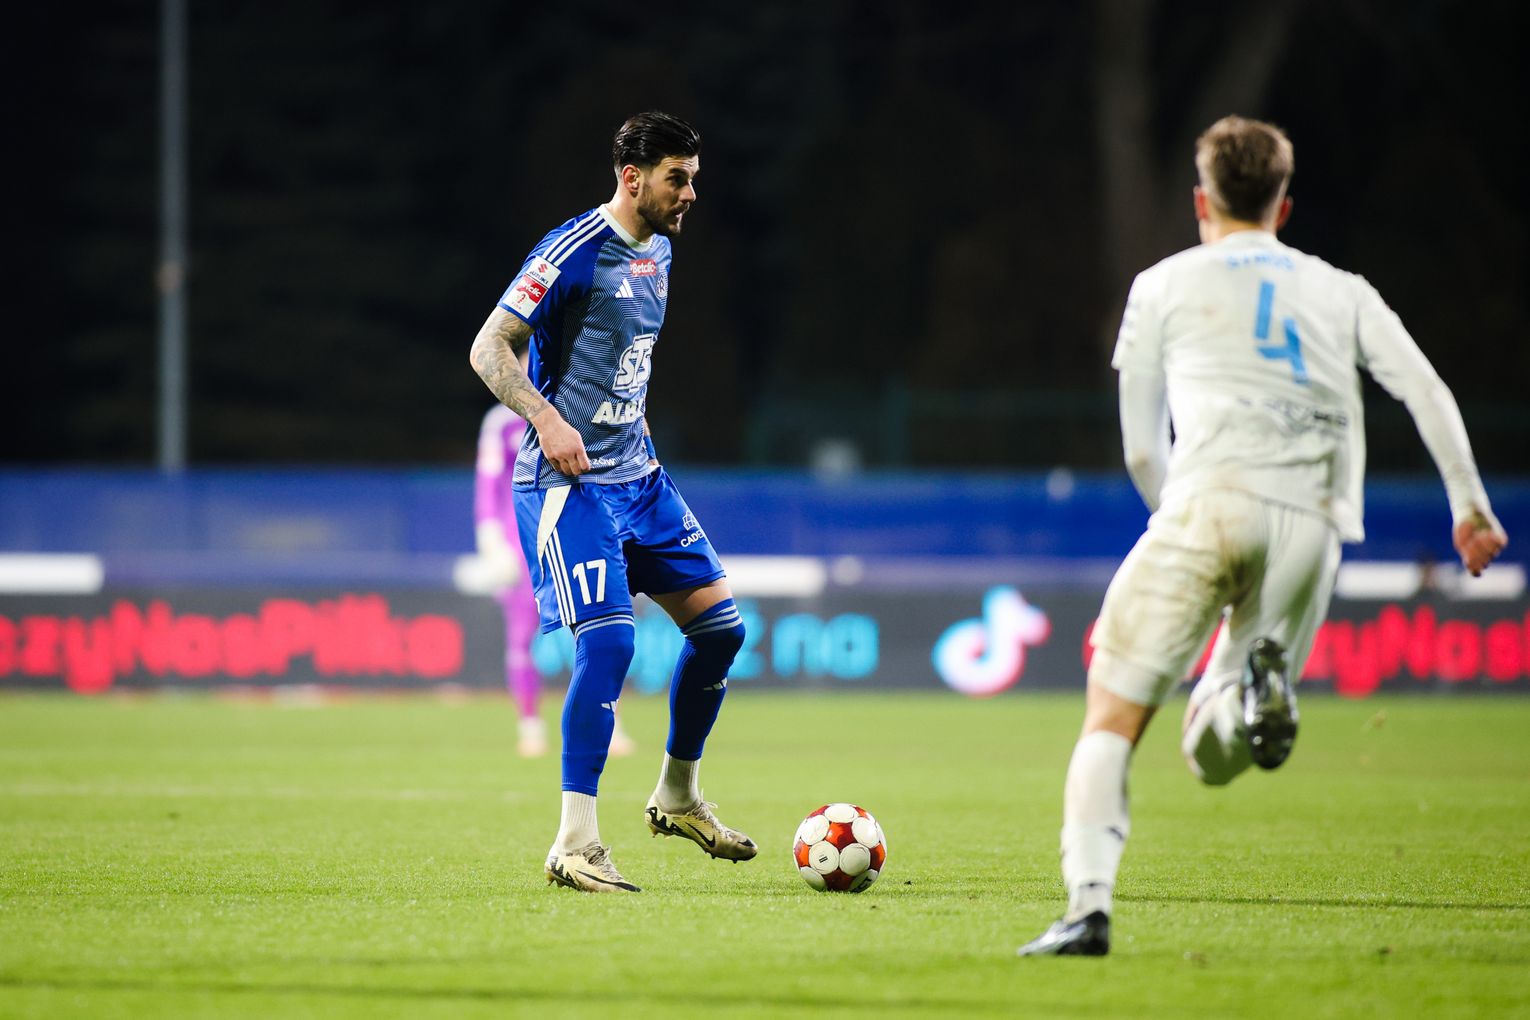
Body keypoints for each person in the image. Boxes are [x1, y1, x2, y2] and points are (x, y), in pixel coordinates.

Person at [1020, 115, 1509, 956]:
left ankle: (1088, 909)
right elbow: (1426, 390)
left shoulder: (1162, 284)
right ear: (1283, 207)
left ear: (1200, 201)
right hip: (1312, 522)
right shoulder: (1342, 290)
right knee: (1213, 752)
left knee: (1113, 715)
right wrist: (1469, 507)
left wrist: (1180, 518)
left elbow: (1142, 449)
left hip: (1205, 501)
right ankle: (1250, 700)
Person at [468, 111, 756, 893]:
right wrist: (547, 418)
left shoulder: (660, 251)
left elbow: (625, 362)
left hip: (640, 479)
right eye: (677, 179)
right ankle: (575, 845)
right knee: (610, 647)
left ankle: (677, 796)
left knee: (722, 632)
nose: (690, 194)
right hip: (568, 487)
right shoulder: (571, 250)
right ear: (632, 178)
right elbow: (489, 346)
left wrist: (638, 436)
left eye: (693, 179)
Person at [474, 402, 635, 759]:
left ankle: (608, 724)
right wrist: (490, 537)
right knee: (522, 634)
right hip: (521, 540)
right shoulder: (502, 422)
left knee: (599, 628)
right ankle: (530, 725)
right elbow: (488, 482)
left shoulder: (580, 403)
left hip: (577, 529)